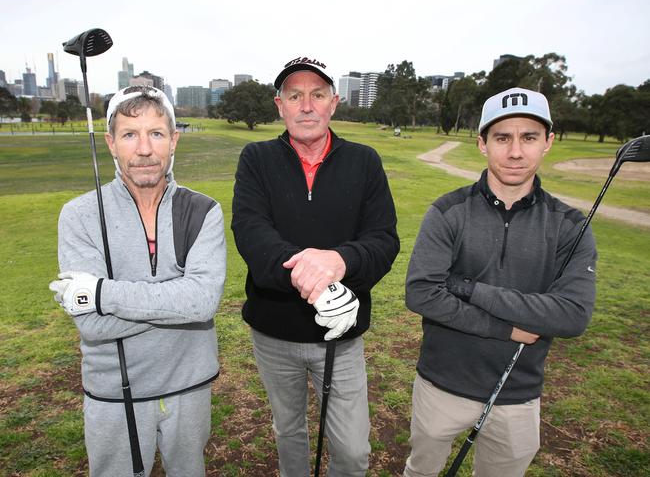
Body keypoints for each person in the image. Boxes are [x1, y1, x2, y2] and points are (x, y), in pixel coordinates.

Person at [403, 87, 597, 477]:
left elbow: (572, 315)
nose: (515, 151)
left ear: (548, 143)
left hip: (518, 393)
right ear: (482, 143)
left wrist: (468, 288)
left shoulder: (571, 226)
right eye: (502, 137)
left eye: (529, 137)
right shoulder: (447, 211)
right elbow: (422, 293)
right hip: (441, 384)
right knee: (421, 471)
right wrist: (507, 328)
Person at [231, 56, 400, 476]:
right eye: (295, 96)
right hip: (275, 333)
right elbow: (252, 235)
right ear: (280, 105)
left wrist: (339, 260)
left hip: (341, 337)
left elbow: (383, 240)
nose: (306, 106)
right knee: (289, 434)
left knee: (352, 451)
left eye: (317, 95)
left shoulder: (364, 161)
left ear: (333, 103)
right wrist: (316, 280)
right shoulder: (256, 158)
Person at [49, 86, 226, 476]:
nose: (144, 149)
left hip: (189, 387)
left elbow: (202, 302)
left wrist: (101, 293)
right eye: (130, 134)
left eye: (156, 133)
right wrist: (173, 295)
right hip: (115, 396)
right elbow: (92, 324)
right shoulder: (78, 216)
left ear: (174, 140)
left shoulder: (202, 211)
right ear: (111, 144)